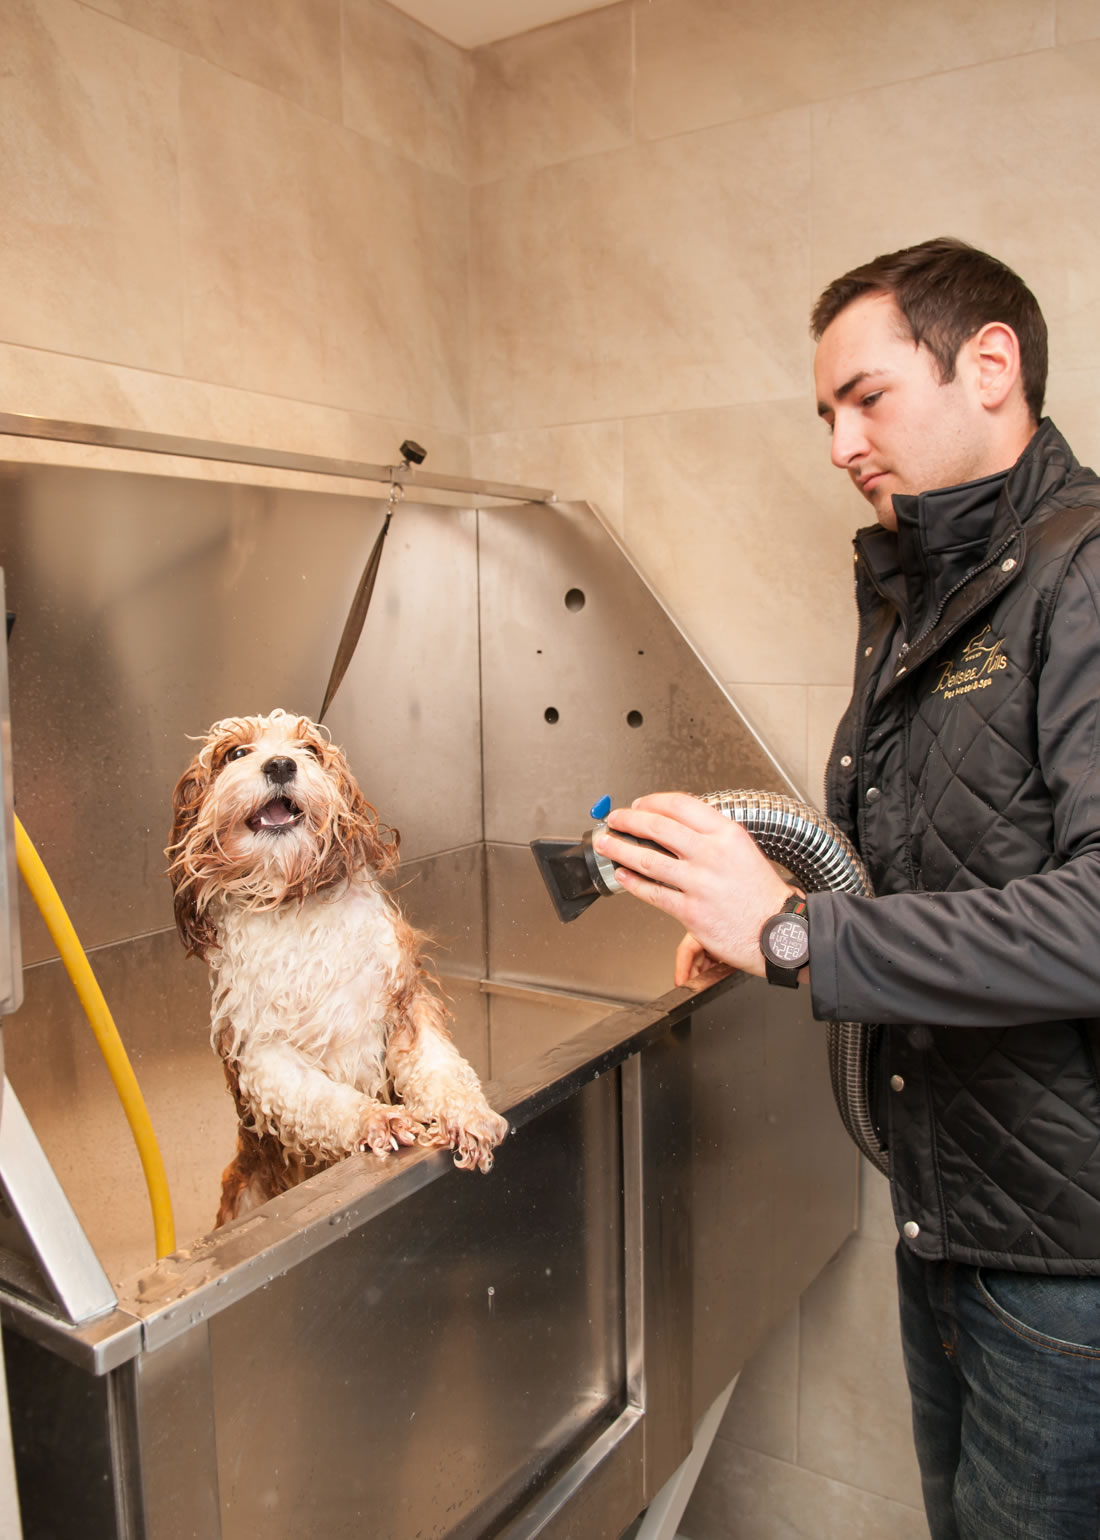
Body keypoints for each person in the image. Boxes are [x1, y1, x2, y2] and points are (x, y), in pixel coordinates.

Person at [594, 238, 1100, 1540]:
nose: (838, 444)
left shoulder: (1084, 572)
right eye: (826, 413)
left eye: (865, 399)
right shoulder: (919, 586)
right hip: (955, 1209)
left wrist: (795, 932)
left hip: (1070, 1262)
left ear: (991, 365)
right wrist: (753, 909)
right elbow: (925, 846)